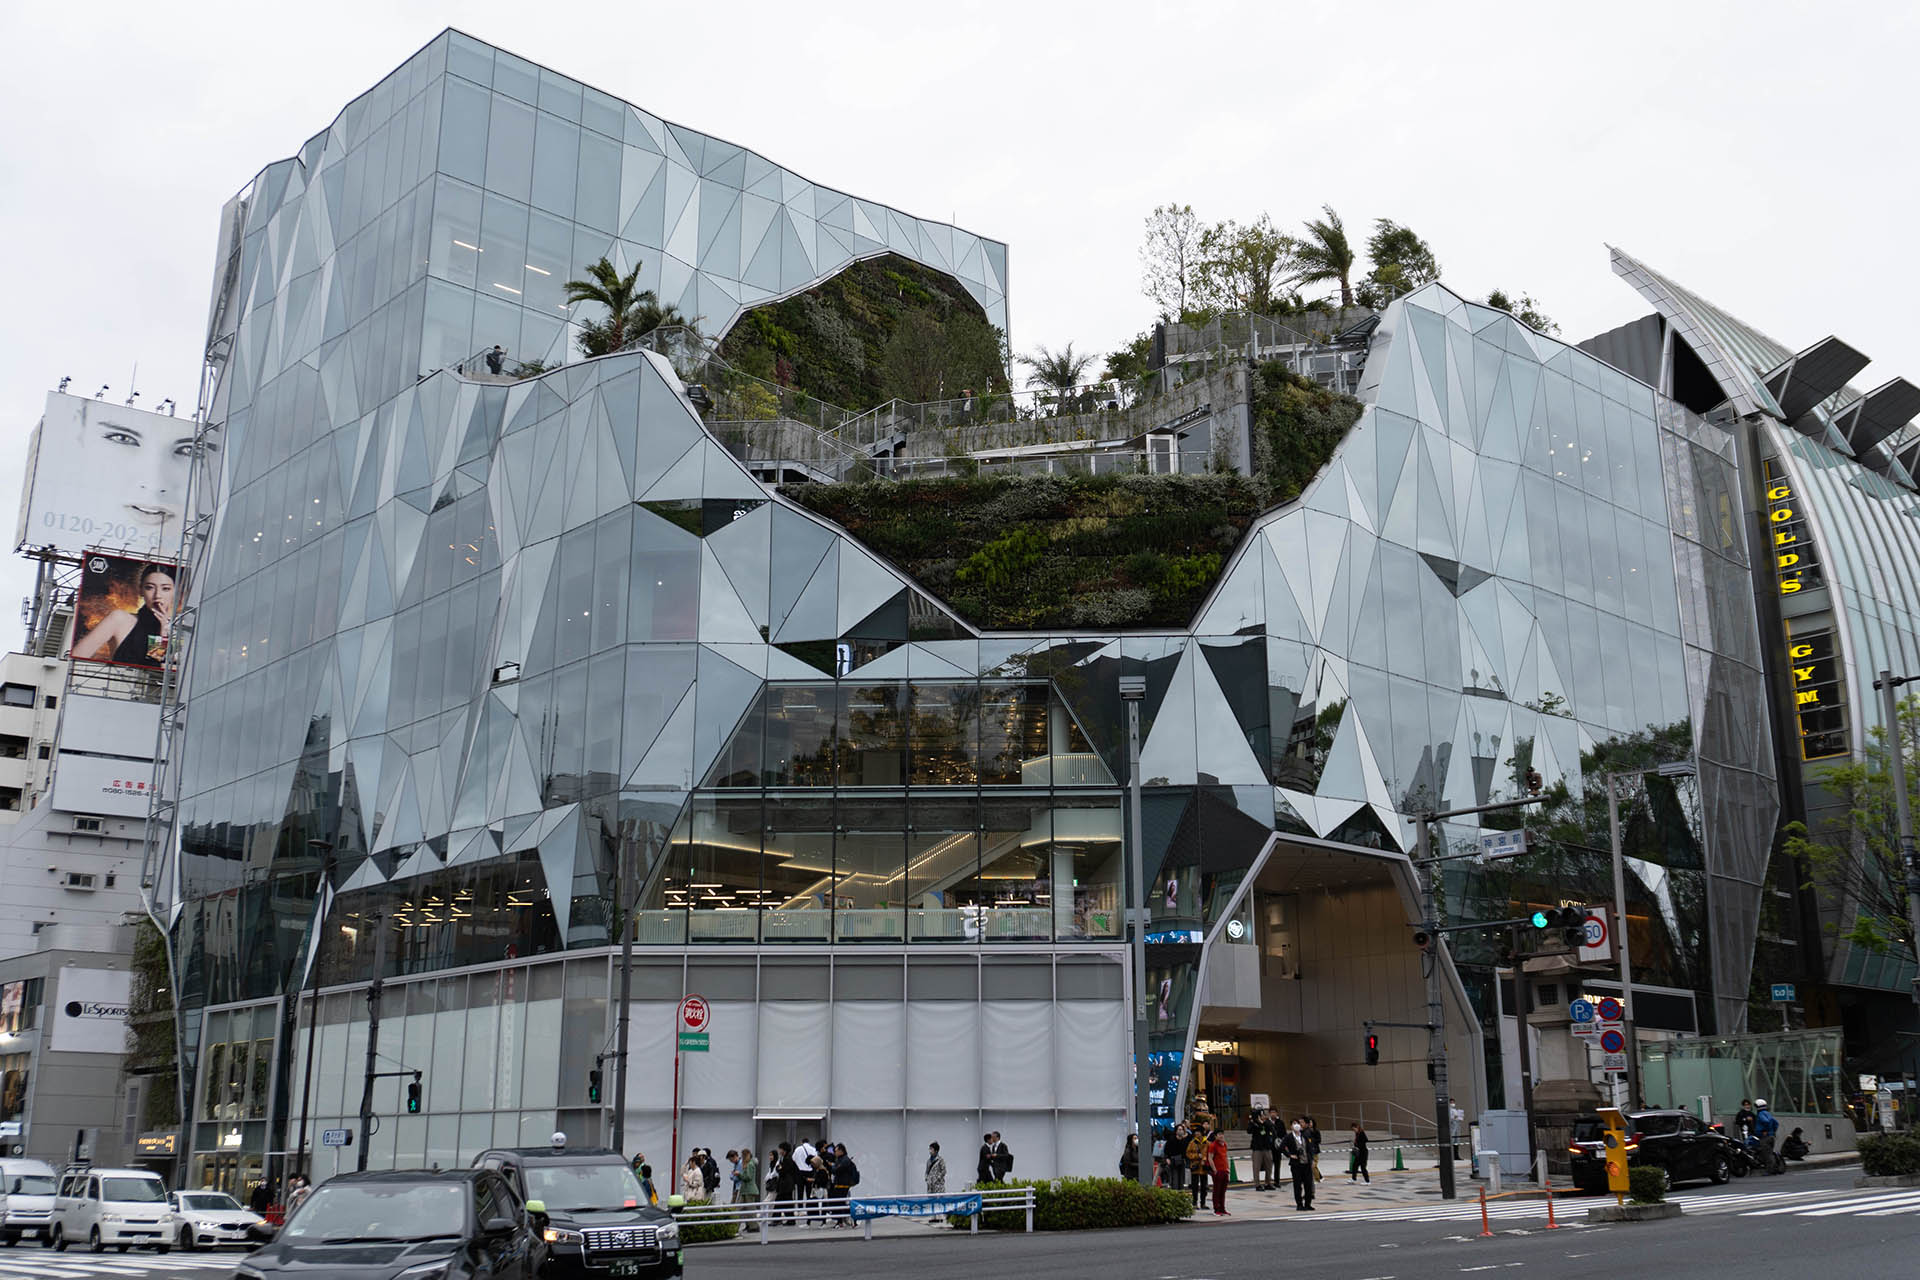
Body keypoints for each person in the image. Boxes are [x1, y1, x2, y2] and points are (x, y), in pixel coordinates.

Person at [72, 561, 178, 669]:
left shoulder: (179, 631)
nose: (157, 595)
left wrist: (163, 635)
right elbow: (75, 657)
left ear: (175, 592)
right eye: (149, 587)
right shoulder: (120, 619)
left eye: (165, 589)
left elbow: (165, 675)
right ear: (141, 590)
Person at [1282, 1120, 1314, 1210]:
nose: (1296, 1126)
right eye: (1294, 1124)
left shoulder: (1304, 1135)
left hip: (1306, 1163)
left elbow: (1310, 1148)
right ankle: (1299, 1204)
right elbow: (1281, 1147)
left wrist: (1311, 1159)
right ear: (1291, 1126)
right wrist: (1290, 1155)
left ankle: (1308, 1204)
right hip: (1296, 1164)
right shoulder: (1289, 1137)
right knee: (1297, 1185)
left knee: (1308, 1184)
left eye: (1298, 1124)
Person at [829, 1144, 859, 1226]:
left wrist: (832, 1166)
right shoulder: (840, 1159)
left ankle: (852, 1219)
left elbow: (836, 1170)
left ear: (841, 1151)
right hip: (839, 1184)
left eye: (836, 1151)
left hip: (843, 1185)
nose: (834, 1152)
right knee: (839, 1203)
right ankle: (841, 1221)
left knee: (841, 1203)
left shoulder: (845, 1160)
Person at [1248, 1108, 1277, 1191]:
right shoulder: (1254, 1123)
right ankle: (1257, 1184)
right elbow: (1249, 1131)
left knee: (1269, 1165)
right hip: (1257, 1148)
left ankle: (1268, 1182)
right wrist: (1255, 1122)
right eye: (1261, 1115)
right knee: (1256, 1167)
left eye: (1263, 1114)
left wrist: (1264, 1122)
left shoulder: (1267, 1123)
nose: (1263, 1116)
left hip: (1267, 1147)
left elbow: (1272, 1128)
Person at [1752, 1098, 1782, 1173]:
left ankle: (1770, 1170)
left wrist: (1765, 1131)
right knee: (1770, 1153)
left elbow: (1766, 1121)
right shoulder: (1768, 1113)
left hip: (1765, 1137)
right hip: (1771, 1136)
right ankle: (1775, 1168)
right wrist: (1772, 1132)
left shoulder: (1761, 1114)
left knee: (1766, 1154)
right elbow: (1776, 1123)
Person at [1207, 1130, 1230, 1216]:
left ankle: (1223, 1208)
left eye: (1222, 1134)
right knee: (1217, 1190)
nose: (1221, 1136)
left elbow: (1225, 1156)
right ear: (1215, 1136)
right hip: (1218, 1170)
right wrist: (1214, 1169)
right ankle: (1216, 1209)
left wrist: (1228, 1168)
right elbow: (1210, 1158)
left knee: (1223, 1191)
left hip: (1224, 1170)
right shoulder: (1213, 1145)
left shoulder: (1224, 1145)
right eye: (1219, 1134)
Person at [1186, 1124, 1210, 1207]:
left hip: (1204, 1167)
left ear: (1202, 1133)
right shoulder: (1192, 1143)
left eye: (1198, 1132)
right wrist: (1196, 1156)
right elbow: (1188, 1153)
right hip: (1195, 1166)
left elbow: (1209, 1154)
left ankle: (1203, 1203)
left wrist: (1204, 1159)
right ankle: (1194, 1202)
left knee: (1204, 1186)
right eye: (1196, 1132)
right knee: (1194, 1186)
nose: (1197, 1133)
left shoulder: (1207, 1143)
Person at [1163, 1123, 1189, 1191]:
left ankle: (1180, 1191)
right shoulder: (1171, 1139)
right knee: (1175, 1177)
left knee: (1181, 1178)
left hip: (1182, 1160)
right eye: (1179, 1129)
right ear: (1176, 1131)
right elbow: (1166, 1150)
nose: (1180, 1131)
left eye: (1182, 1130)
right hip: (1173, 1160)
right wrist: (1167, 1158)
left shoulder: (1184, 1140)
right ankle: (1175, 1192)